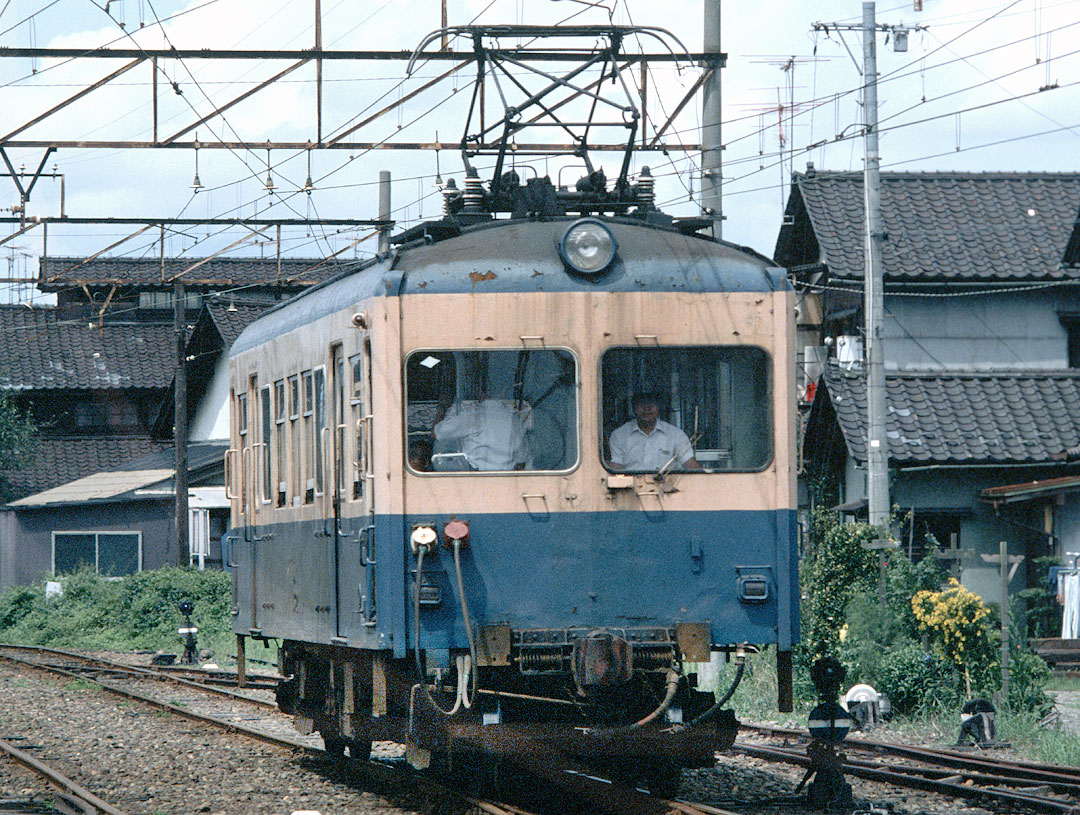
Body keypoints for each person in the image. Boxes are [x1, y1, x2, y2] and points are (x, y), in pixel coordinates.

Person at [608, 392, 701, 472]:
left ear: (658, 408)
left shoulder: (676, 435)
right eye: (642, 404)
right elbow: (615, 467)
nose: (647, 409)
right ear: (634, 408)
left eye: (651, 404)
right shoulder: (619, 435)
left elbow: (690, 464)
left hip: (667, 485)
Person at [433, 395, 530, 471]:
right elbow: (521, 460)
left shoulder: (472, 417)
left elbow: (436, 433)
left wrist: (442, 407)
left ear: (478, 392)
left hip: (475, 479)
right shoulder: (516, 422)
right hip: (506, 480)